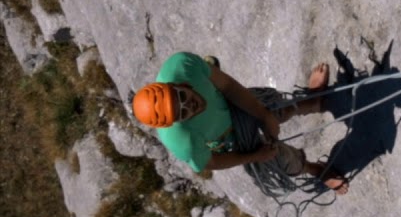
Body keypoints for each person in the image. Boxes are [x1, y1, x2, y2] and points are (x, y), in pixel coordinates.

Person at [130, 52, 348, 193]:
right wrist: (254, 156)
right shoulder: (181, 140)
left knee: (276, 109)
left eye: (181, 96)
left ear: (179, 84)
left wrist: (264, 116)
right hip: (233, 139)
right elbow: (211, 162)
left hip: (231, 104)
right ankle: (314, 169)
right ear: (175, 123)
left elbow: (228, 87)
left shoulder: (184, 66)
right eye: (182, 113)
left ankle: (312, 102)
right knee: (280, 159)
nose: (190, 105)